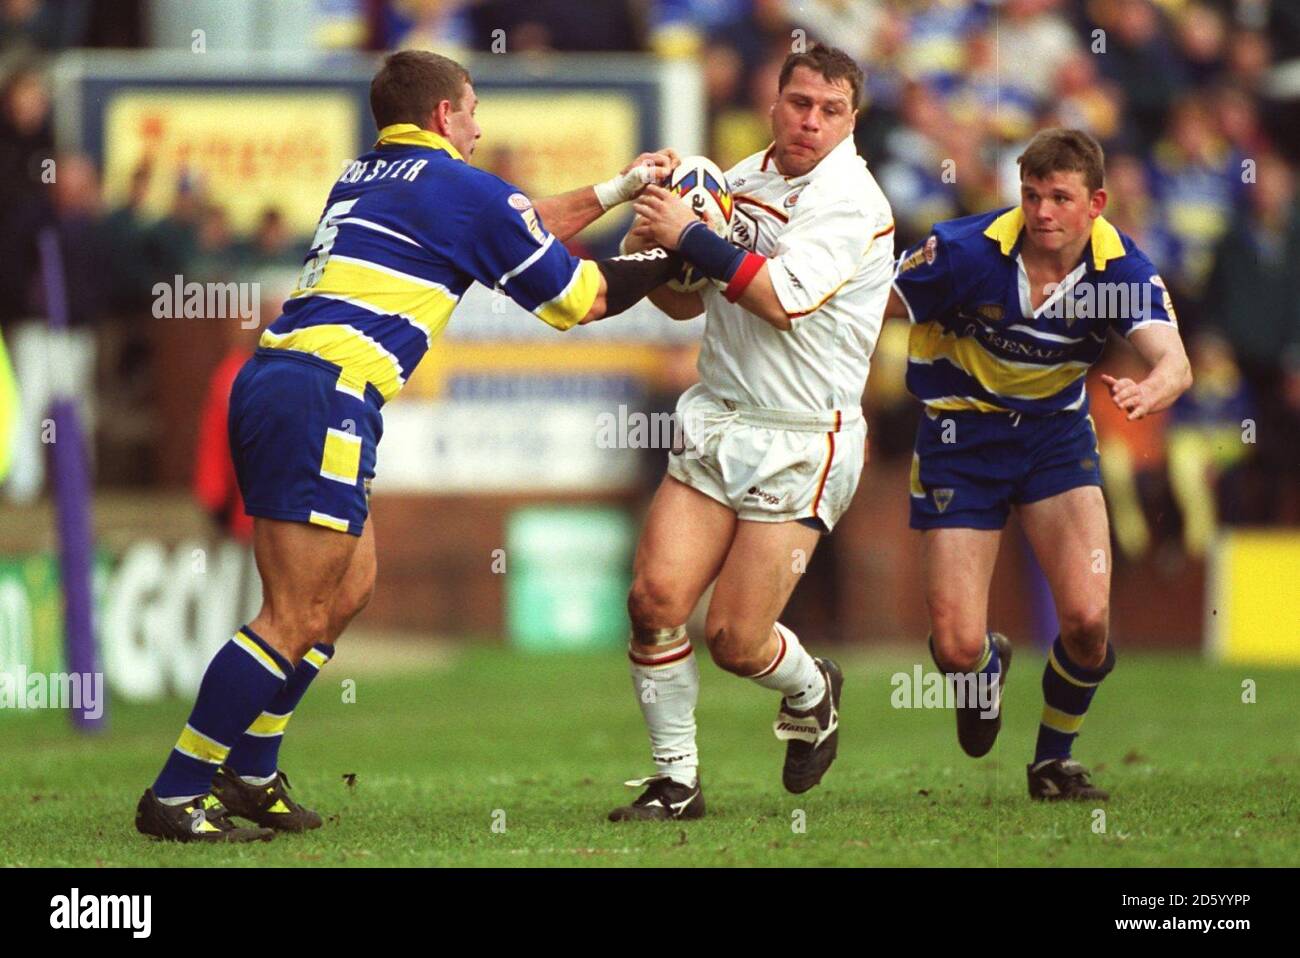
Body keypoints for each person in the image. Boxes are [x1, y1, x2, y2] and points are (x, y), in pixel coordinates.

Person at [134, 49, 685, 842]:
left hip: (293, 382)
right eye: (472, 108)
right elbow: (581, 300)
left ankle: (251, 771)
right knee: (291, 614)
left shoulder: (369, 175)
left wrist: (618, 190)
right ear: (442, 116)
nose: (479, 124)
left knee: (348, 586)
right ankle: (178, 790)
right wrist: (682, 250)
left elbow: (514, 223)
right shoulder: (463, 190)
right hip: (322, 393)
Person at [612, 43, 895, 820]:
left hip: (805, 435)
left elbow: (783, 300)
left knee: (735, 639)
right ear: (774, 103)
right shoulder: (736, 181)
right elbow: (686, 303)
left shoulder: (854, 201)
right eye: (800, 103)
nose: (811, 121)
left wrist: (691, 234)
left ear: (851, 119)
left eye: (831, 110)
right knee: (653, 599)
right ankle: (676, 782)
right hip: (721, 417)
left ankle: (813, 688)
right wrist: (656, 247)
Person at [884, 128, 1192, 801]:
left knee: (1086, 621)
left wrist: (1151, 387)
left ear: (1096, 203)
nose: (1043, 211)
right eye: (1031, 196)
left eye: (1060, 197)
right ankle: (985, 665)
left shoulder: (1120, 270)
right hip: (960, 441)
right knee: (957, 648)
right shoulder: (965, 251)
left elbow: (1176, 361)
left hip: (1055, 440)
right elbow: (870, 306)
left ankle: (1054, 761)